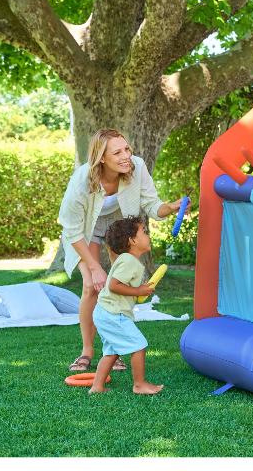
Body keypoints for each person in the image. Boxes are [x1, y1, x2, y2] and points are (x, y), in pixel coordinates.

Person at [58, 128, 188, 373]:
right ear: (102, 158)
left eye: (127, 149)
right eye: (117, 152)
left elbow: (151, 204)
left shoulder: (136, 167)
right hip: (86, 230)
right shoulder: (81, 180)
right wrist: (95, 268)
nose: (126, 156)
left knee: (118, 288)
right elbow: (72, 230)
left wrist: (170, 207)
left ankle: (114, 349)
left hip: (118, 227)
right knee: (91, 286)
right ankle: (87, 351)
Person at [89, 216, 162, 395]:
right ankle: (139, 385)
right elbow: (114, 285)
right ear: (132, 240)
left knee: (112, 351)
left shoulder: (126, 260)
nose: (147, 235)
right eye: (144, 232)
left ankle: (97, 387)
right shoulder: (129, 261)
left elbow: (121, 285)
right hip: (113, 313)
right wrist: (139, 291)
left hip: (105, 312)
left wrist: (139, 291)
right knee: (139, 344)